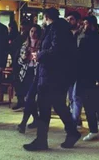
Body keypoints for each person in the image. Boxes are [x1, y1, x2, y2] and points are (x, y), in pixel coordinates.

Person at [23, 8, 80, 151]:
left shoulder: (56, 29)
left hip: (52, 75)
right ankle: (71, 132)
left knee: (44, 106)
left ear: (46, 17)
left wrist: (39, 55)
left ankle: (42, 140)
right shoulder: (59, 28)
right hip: (53, 74)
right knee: (58, 105)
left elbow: (56, 50)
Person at [77, 16, 99, 141]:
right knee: (90, 104)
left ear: (92, 25)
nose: (84, 26)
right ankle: (94, 129)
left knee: (98, 103)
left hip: (96, 76)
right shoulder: (83, 38)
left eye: (86, 23)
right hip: (86, 76)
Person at [16, 25, 41, 132]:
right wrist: (24, 57)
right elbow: (19, 61)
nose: (33, 34)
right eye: (31, 31)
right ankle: (36, 119)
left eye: (35, 32)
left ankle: (23, 123)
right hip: (26, 73)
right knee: (29, 98)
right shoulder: (25, 45)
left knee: (29, 98)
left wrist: (36, 58)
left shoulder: (41, 45)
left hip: (36, 74)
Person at [64, 10, 83, 127]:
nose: (69, 21)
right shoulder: (65, 34)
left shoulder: (82, 35)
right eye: (67, 19)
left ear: (77, 21)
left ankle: (75, 121)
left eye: (71, 19)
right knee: (71, 96)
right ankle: (76, 117)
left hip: (80, 69)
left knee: (77, 96)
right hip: (68, 69)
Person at [10, 22, 29, 110]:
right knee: (17, 81)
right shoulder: (19, 36)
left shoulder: (27, 38)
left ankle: (25, 101)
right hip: (17, 61)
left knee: (24, 82)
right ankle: (20, 101)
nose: (22, 30)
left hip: (25, 63)